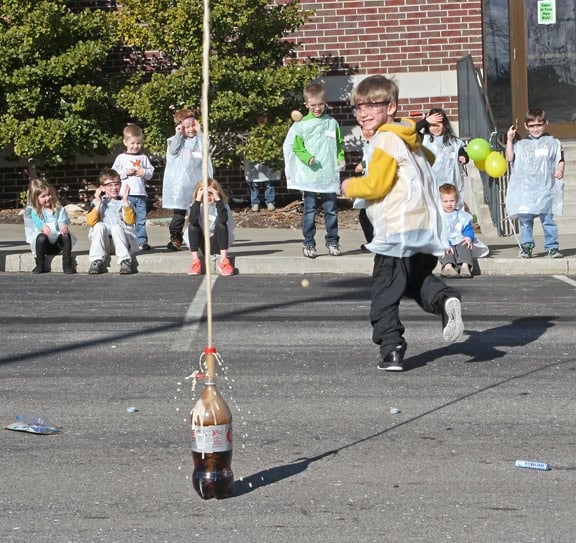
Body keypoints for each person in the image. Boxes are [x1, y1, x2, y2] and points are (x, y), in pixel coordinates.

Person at [341, 75, 464, 372]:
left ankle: (391, 347)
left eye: (373, 105)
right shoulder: (408, 140)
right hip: (424, 227)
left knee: (384, 291)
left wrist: (349, 186)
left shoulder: (385, 139)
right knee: (414, 281)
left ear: (392, 107)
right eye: (359, 107)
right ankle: (445, 299)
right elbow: (431, 158)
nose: (364, 113)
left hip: (397, 229)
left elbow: (376, 185)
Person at [284, 82, 345, 258]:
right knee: (309, 210)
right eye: (313, 105)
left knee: (331, 210)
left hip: (328, 175)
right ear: (306, 105)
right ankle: (309, 243)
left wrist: (341, 158)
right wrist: (307, 158)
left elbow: (338, 144)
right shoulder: (302, 125)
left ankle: (333, 240)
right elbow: (297, 147)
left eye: (320, 104)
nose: (317, 108)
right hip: (309, 176)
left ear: (325, 103)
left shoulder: (332, 123)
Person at [505, 109, 565, 259]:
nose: (535, 129)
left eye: (539, 125)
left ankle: (552, 247)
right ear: (526, 126)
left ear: (546, 124)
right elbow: (509, 158)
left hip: (545, 188)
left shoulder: (553, 143)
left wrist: (560, 170)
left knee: (548, 220)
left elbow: (560, 158)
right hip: (527, 189)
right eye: (531, 126)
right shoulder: (521, 144)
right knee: (526, 220)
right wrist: (510, 140)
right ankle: (527, 246)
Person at [162, 108, 213, 251]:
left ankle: (196, 237)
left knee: (196, 214)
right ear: (180, 127)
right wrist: (178, 134)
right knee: (179, 214)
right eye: (186, 126)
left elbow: (206, 148)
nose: (190, 129)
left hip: (196, 184)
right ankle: (176, 237)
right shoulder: (176, 140)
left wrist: (200, 131)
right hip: (180, 186)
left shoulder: (199, 140)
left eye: (192, 125)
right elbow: (173, 150)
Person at [86, 168, 138, 275]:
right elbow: (90, 222)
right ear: (102, 188)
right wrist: (99, 203)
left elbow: (130, 221)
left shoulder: (126, 202)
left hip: (122, 243)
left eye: (117, 184)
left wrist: (125, 201)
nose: (114, 188)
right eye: (109, 185)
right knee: (99, 225)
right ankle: (96, 260)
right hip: (104, 244)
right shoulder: (96, 202)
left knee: (116, 227)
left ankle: (125, 260)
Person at [112, 124, 155, 250]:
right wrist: (125, 173)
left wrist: (144, 173)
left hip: (141, 194)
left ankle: (142, 241)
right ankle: (128, 240)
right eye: (132, 143)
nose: (136, 146)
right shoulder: (121, 158)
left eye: (138, 143)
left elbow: (150, 172)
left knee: (141, 219)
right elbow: (113, 174)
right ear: (125, 142)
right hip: (126, 195)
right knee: (127, 219)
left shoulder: (143, 158)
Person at [24, 178, 75, 274]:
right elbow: (37, 222)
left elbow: (63, 218)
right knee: (40, 237)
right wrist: (42, 226)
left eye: (49, 194)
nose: (48, 198)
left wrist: (62, 223)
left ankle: (67, 264)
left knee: (66, 236)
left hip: (57, 244)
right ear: (36, 199)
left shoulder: (59, 209)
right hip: (44, 245)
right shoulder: (35, 211)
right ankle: (40, 264)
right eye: (43, 196)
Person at [418, 108, 469, 203]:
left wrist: (463, 157)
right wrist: (425, 121)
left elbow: (461, 151)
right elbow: (410, 131)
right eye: (432, 125)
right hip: (432, 185)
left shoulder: (453, 141)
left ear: (444, 125)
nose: (435, 128)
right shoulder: (424, 139)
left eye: (438, 125)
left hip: (451, 185)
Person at [438, 183, 489, 278]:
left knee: (465, 244)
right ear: (440, 202)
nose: (449, 204)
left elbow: (468, 228)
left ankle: (465, 266)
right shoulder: (439, 217)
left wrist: (468, 237)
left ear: (456, 201)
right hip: (444, 240)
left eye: (452, 201)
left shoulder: (462, 215)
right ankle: (448, 267)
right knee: (444, 249)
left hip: (459, 239)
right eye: (445, 201)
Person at [187, 178, 235, 277]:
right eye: (205, 194)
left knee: (221, 224)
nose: (208, 197)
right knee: (192, 226)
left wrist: (217, 199)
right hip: (201, 242)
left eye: (211, 194)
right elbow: (193, 221)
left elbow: (223, 220)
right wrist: (197, 200)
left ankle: (224, 261)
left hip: (217, 243)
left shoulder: (223, 206)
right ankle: (195, 261)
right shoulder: (195, 206)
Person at [353, 126, 375, 250]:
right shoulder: (367, 143)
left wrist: (364, 165)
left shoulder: (378, 143)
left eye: (370, 129)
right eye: (364, 129)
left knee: (368, 215)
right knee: (365, 215)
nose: (367, 132)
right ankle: (373, 242)